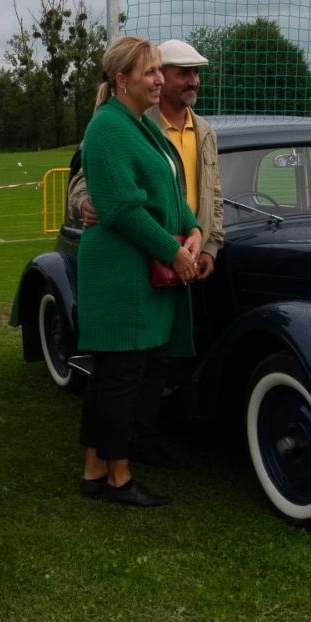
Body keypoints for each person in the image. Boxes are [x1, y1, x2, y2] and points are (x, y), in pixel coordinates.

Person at [66, 38, 223, 469]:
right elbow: (122, 208)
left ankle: (99, 468)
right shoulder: (109, 126)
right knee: (120, 376)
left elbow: (175, 192)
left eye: (159, 71)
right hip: (125, 270)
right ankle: (115, 475)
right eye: (152, 72)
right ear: (122, 80)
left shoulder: (140, 125)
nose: (159, 79)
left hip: (147, 268)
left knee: (128, 374)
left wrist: (194, 230)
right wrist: (174, 254)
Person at [66, 38, 223, 277]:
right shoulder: (125, 124)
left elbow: (215, 194)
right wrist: (85, 202)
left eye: (196, 73)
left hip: (189, 257)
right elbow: (91, 181)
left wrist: (206, 242)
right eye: (182, 74)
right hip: (147, 260)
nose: (193, 81)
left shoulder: (205, 132)